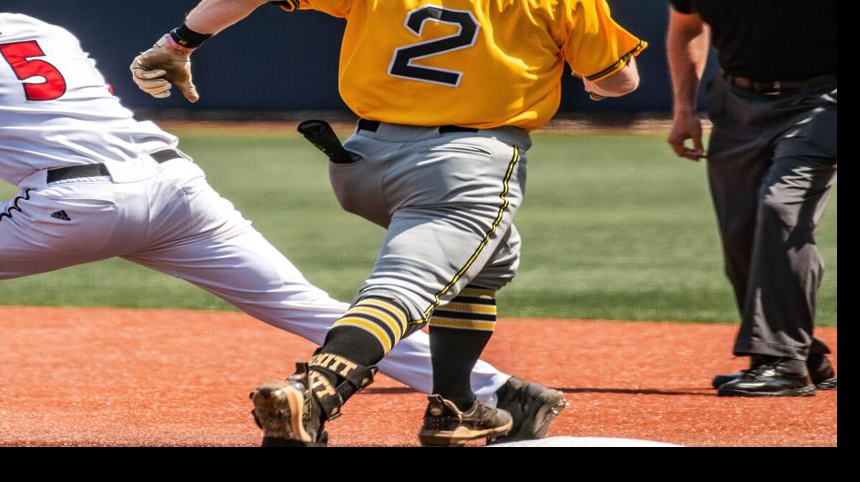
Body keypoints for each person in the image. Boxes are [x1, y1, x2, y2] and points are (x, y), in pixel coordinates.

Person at [0, 0, 559, 446]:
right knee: (298, 302)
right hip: (176, 187)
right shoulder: (40, 27)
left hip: (79, 200)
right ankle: (495, 390)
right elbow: (17, 90)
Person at [132, 0, 645, 446]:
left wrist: (178, 44)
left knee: (490, 258)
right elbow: (616, 81)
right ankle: (315, 392)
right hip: (462, 167)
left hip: (362, 161)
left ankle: (457, 406)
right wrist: (590, 78)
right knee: (401, 290)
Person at [666, 0, 837, 397]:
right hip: (736, 101)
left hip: (821, 100)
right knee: (740, 230)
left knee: (781, 207)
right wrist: (683, 109)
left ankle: (783, 362)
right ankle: (801, 355)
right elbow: (687, 26)